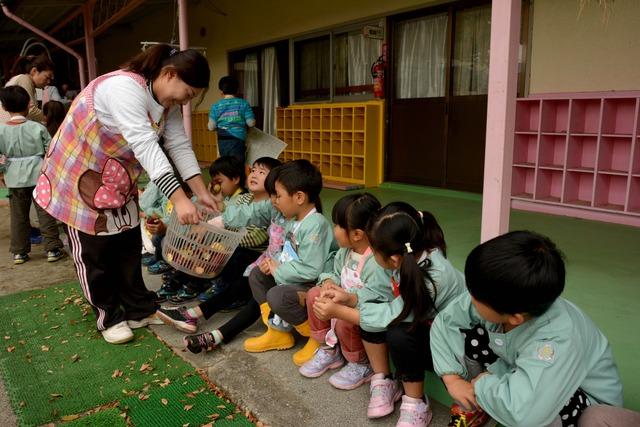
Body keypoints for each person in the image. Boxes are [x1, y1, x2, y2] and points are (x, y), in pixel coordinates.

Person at [33, 44, 217, 345]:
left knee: (127, 242)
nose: (189, 99)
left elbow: (179, 146)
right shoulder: (123, 88)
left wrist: (199, 191)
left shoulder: (166, 103)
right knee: (94, 252)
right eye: (190, 92)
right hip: (79, 175)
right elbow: (146, 145)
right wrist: (180, 199)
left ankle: (136, 308)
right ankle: (109, 317)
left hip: (117, 179)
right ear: (169, 74)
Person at [430, 231, 623, 427]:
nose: (469, 298)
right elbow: (445, 322)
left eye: (475, 296)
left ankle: (486, 398)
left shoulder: (557, 339)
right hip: (524, 370)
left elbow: (527, 413)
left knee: (540, 410)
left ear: (515, 318)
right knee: (466, 333)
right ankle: (478, 404)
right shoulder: (503, 298)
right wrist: (452, 379)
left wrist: (481, 385)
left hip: (578, 401)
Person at [315, 203, 465, 426]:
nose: (371, 255)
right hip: (431, 330)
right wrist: (350, 298)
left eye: (373, 251)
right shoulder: (406, 257)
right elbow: (378, 292)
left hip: (457, 346)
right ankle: (383, 379)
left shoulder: (434, 277)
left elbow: (391, 315)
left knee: (398, 332)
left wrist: (339, 312)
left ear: (393, 258)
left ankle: (417, 403)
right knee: (381, 316)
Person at [157, 158, 283, 347]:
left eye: (279, 194)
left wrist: (279, 270)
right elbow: (241, 214)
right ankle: (194, 313)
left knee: (253, 283)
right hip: (267, 266)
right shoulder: (267, 206)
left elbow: (305, 265)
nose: (276, 200)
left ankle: (215, 330)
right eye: (253, 170)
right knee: (249, 277)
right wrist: (217, 211)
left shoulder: (310, 225)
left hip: (271, 268)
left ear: (299, 196)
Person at [300, 193, 384, 391]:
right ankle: (329, 349)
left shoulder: (375, 261)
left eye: (337, 225)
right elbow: (335, 272)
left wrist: (345, 302)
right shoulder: (344, 251)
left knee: (346, 319)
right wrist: (329, 282)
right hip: (341, 302)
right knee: (314, 293)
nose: (334, 230)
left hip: (359, 313)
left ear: (356, 234)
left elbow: (374, 301)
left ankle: (361, 363)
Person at [0, 86, 64, 264]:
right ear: (29, 105)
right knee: (45, 213)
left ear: (4, 108)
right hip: (39, 175)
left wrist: (2, 172)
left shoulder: (1, 130)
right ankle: (52, 248)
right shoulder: (38, 128)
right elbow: (51, 151)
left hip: (13, 177)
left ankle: (19, 252)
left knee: (18, 215)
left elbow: (0, 156)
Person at [207, 76, 255, 165]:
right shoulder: (243, 103)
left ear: (221, 91)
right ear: (237, 90)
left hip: (222, 139)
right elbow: (251, 123)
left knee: (225, 164)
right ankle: (239, 178)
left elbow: (211, 127)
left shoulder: (215, 106)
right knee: (238, 164)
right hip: (238, 139)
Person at [1, 54, 55, 123]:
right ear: (34, 71)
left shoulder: (31, 85)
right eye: (47, 77)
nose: (48, 82)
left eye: (50, 79)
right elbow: (30, 109)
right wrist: (48, 119)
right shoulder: (25, 79)